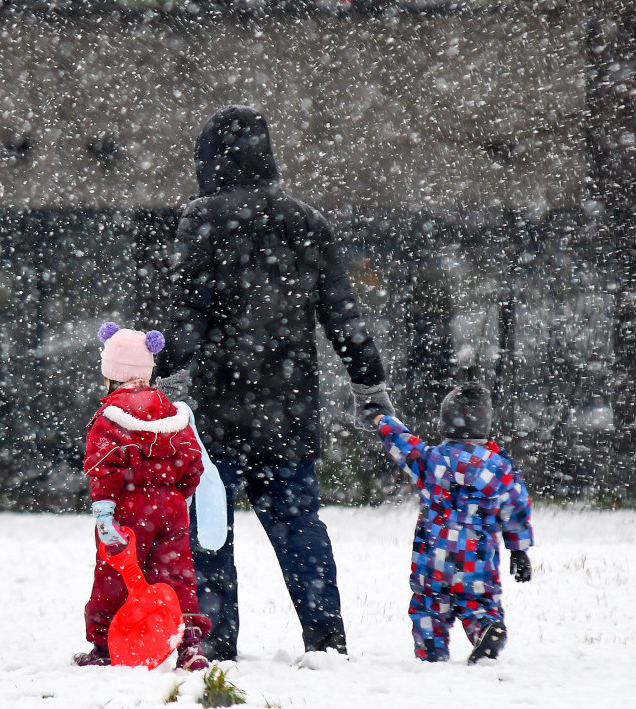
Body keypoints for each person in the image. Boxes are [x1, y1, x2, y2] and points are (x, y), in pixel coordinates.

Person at [152, 105, 395, 661]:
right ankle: (325, 637)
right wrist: (370, 385)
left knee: (209, 528)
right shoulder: (308, 222)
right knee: (298, 524)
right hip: (288, 408)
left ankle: (215, 639)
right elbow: (343, 315)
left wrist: (156, 369)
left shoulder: (203, 219)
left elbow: (188, 317)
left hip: (218, 409)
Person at [74, 322, 213, 671]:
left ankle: (106, 644)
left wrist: (104, 511)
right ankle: (188, 644)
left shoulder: (110, 417)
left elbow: (104, 465)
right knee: (176, 574)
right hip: (171, 508)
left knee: (116, 576)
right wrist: (178, 495)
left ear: (112, 374)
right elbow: (192, 461)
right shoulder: (171, 412)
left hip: (128, 507)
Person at [370, 380, 534, 663]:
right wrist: (519, 549)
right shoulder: (500, 468)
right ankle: (485, 628)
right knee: (479, 603)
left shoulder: (432, 460)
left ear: (446, 420)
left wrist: (381, 419)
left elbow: (402, 442)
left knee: (428, 607)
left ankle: (430, 652)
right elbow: (516, 508)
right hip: (477, 560)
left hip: (433, 559)